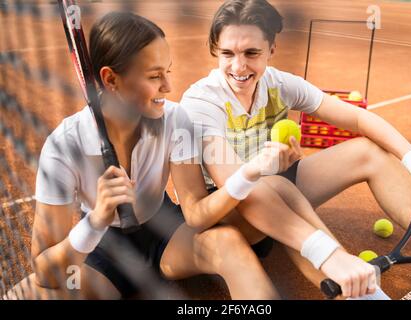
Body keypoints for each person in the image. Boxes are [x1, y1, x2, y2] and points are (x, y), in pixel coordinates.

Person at [12, 11, 296, 300]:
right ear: (111, 79)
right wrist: (95, 220)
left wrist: (249, 174)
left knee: (229, 243)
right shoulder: (63, 146)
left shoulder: (174, 119)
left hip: (167, 233)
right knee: (29, 294)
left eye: (167, 72)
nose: (168, 87)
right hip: (101, 251)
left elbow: (196, 210)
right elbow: (44, 269)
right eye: (154, 75)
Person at [180, 0, 411, 299]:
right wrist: (267, 168)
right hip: (228, 212)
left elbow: (357, 117)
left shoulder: (279, 84)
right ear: (215, 51)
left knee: (366, 151)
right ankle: (361, 291)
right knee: (275, 184)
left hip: (275, 187)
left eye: (252, 53)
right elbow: (233, 183)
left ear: (271, 49)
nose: (239, 66)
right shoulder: (202, 102)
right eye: (228, 53)